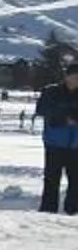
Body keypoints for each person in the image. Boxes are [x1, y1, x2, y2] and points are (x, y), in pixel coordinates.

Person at [37, 69, 78, 215]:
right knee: (52, 178)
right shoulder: (51, 91)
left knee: (75, 180)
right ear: (66, 77)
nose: (75, 80)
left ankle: (72, 211)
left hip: (75, 145)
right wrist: (64, 118)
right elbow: (42, 109)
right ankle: (48, 210)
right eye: (73, 76)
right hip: (55, 142)